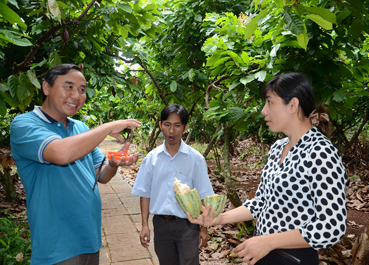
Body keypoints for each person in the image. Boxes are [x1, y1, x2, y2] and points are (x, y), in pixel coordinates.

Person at [187, 72, 348, 265]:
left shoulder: (320, 153)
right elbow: (262, 202)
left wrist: (269, 241)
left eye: (270, 102)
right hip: (264, 253)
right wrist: (218, 219)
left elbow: (332, 227)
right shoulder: (278, 148)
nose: (264, 110)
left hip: (294, 258)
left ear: (293, 105)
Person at [10, 63, 142, 265]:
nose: (77, 95)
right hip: (57, 245)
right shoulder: (25, 124)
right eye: (69, 86)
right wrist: (107, 127)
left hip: (89, 237)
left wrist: (113, 164)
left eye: (82, 89)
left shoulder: (80, 127)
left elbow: (101, 175)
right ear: (46, 88)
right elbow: (62, 153)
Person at [131, 104, 214, 265]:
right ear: (161, 125)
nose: (171, 131)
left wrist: (203, 228)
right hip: (161, 225)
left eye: (177, 125)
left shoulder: (195, 159)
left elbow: (203, 194)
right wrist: (144, 225)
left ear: (185, 127)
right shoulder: (152, 158)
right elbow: (145, 193)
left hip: (188, 225)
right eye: (167, 124)